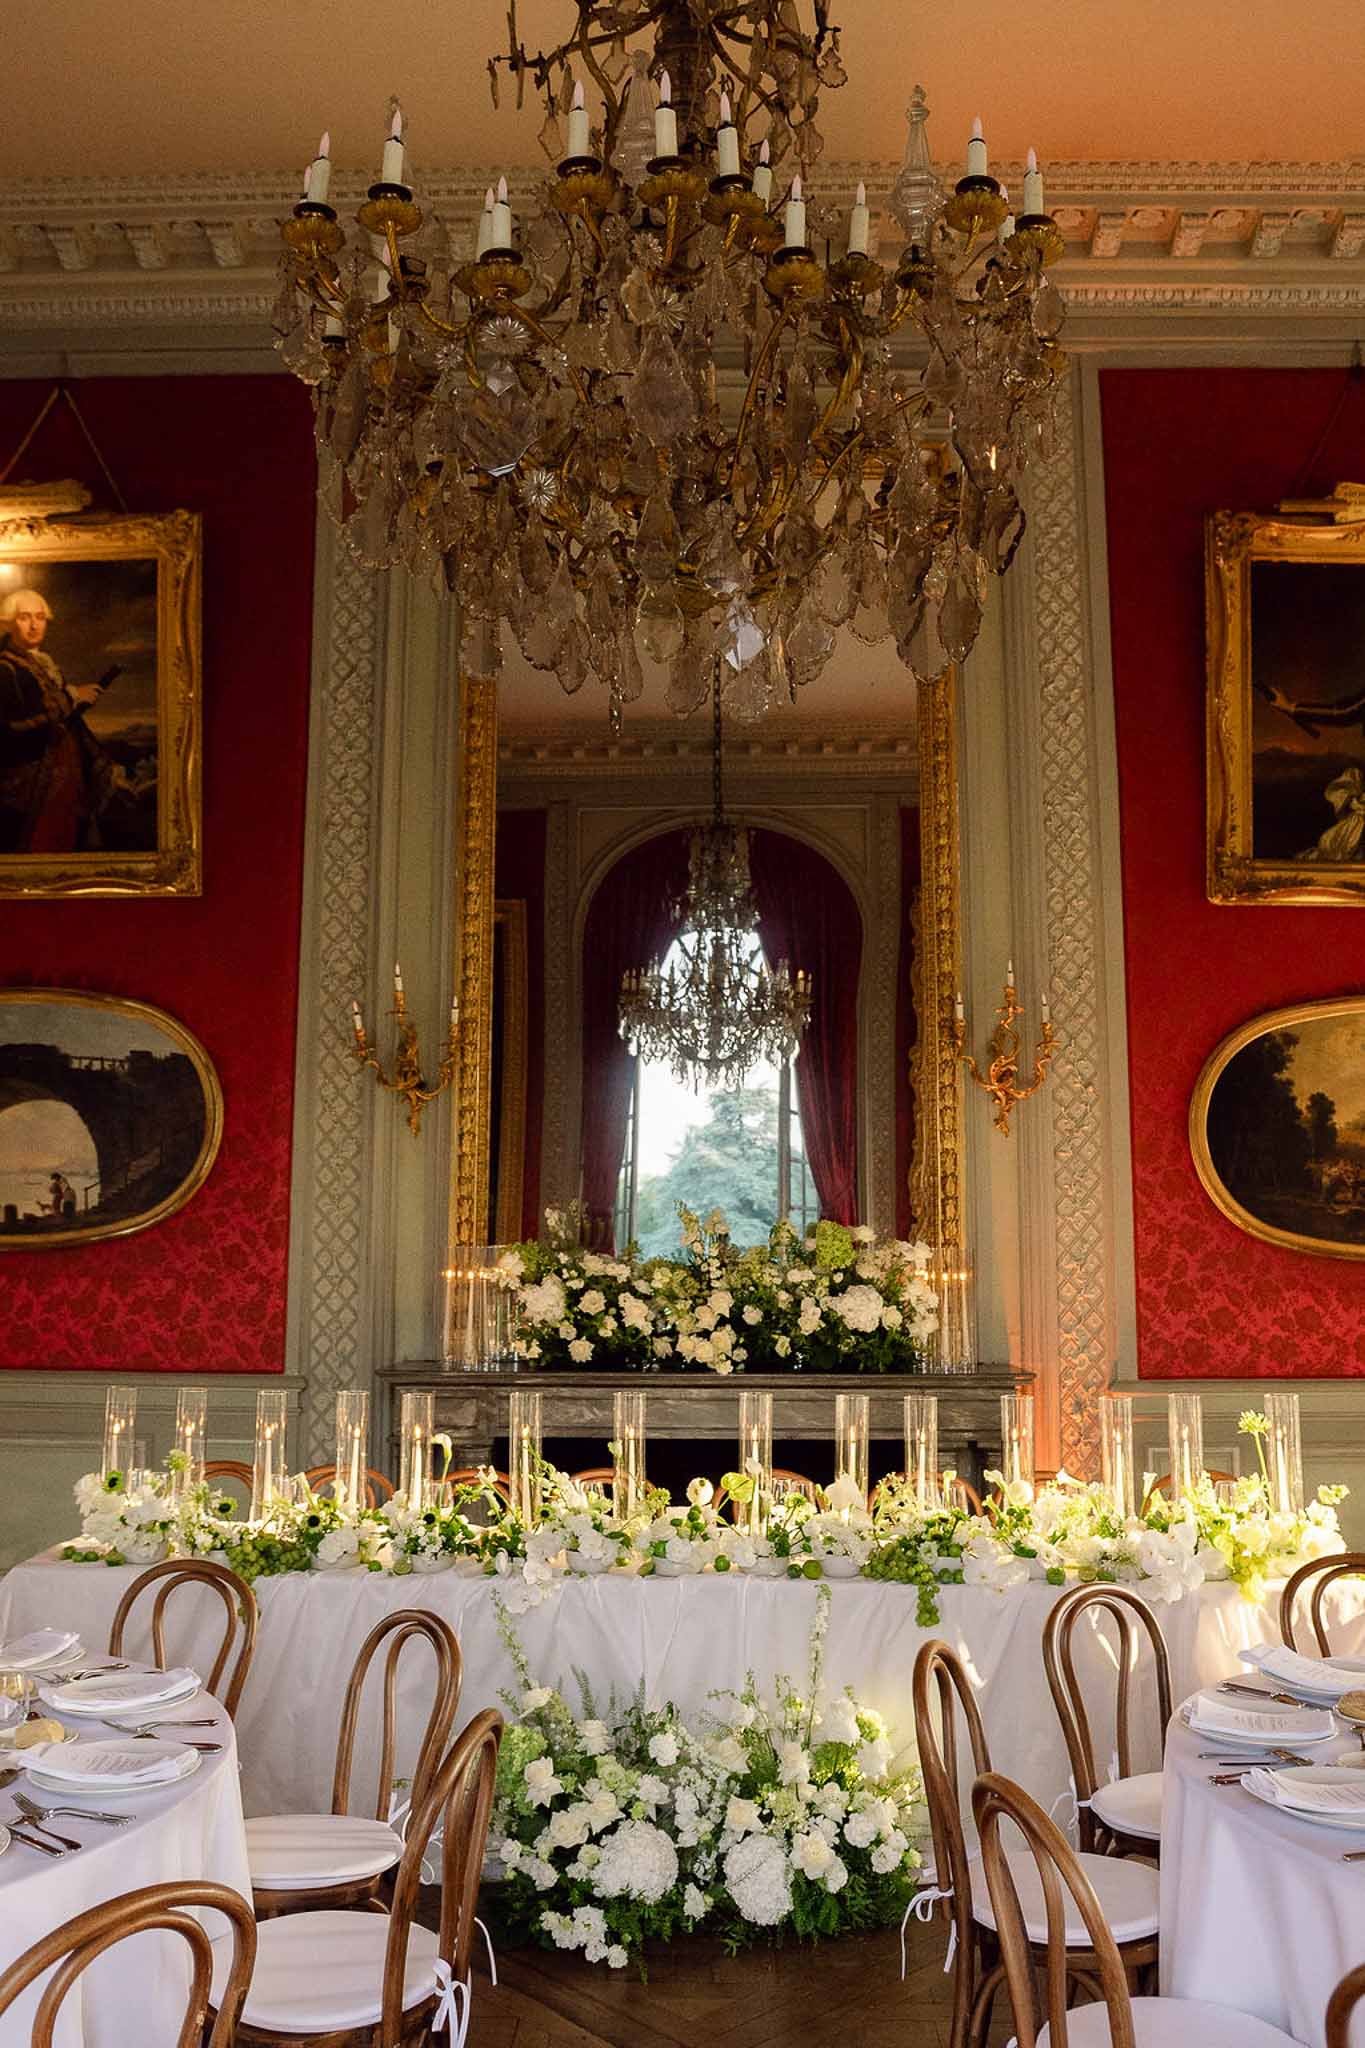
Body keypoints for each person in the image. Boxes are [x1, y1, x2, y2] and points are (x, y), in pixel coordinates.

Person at [0, 587, 119, 853]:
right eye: (24, 617)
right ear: (8, 623)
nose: (33, 625)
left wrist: (78, 700)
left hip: (64, 769)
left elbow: (59, 715)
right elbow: (10, 728)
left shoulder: (43, 664)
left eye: (40, 617)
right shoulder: (5, 668)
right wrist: (72, 697)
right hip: (31, 778)